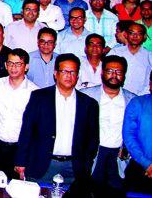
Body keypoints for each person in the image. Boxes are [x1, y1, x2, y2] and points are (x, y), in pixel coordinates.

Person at [15, 54, 100, 189]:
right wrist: (21, 161)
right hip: (42, 164)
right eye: (64, 71)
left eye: (73, 72)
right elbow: (27, 131)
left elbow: (92, 140)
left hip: (74, 168)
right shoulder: (39, 97)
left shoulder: (89, 104)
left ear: (77, 76)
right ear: (55, 73)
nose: (69, 76)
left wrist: (86, 164)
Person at [76, 55, 137, 195]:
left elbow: (136, 131)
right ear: (102, 73)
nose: (114, 75)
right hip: (92, 155)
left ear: (124, 75)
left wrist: (128, 149)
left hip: (118, 157)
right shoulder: (86, 95)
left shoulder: (132, 100)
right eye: (110, 71)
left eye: (119, 72)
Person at [0, 48, 39, 179]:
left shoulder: (35, 92)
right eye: (10, 63)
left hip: (19, 148)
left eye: (18, 64)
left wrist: (25, 156)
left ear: (26, 67)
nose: (13, 67)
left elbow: (35, 127)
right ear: (5, 65)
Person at [122, 69, 152, 193]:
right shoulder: (137, 104)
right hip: (140, 168)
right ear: (151, 84)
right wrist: (147, 164)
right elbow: (129, 136)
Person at [109, 23, 152, 96]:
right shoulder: (115, 52)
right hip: (118, 95)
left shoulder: (150, 56)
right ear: (126, 35)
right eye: (131, 33)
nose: (135, 36)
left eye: (139, 33)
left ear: (144, 36)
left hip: (142, 98)